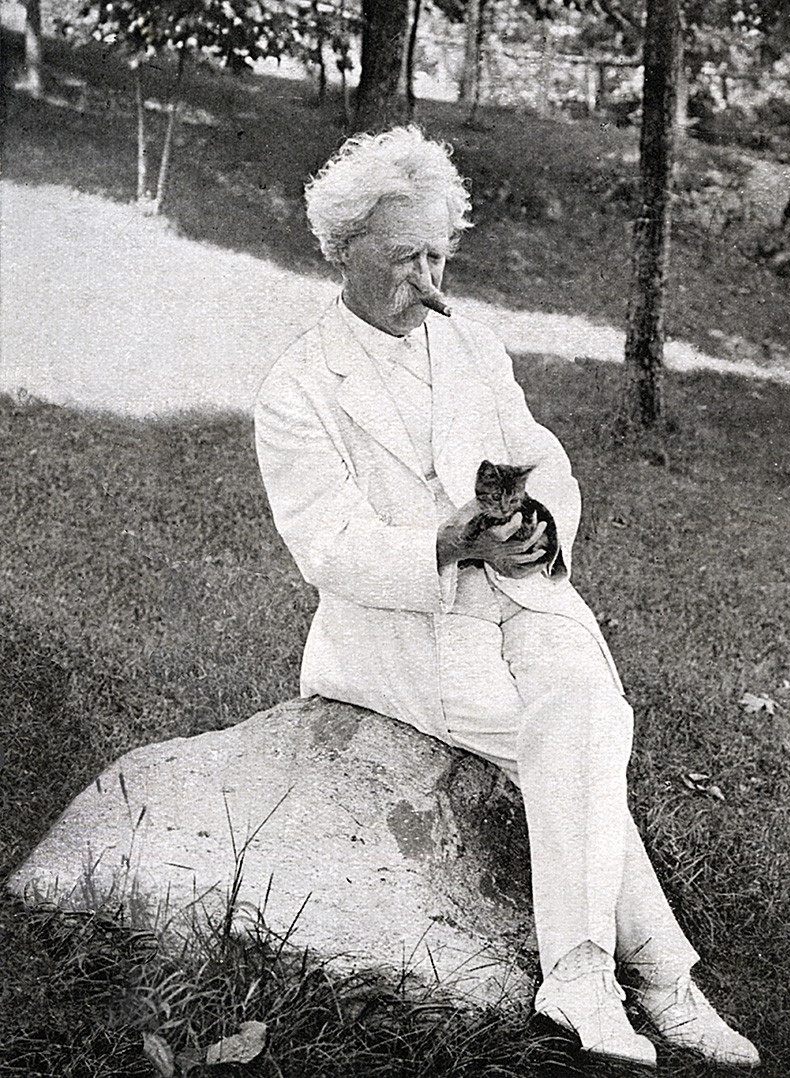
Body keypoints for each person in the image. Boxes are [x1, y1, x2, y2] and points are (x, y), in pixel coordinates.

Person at [254, 126, 760, 1069]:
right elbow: (326, 545)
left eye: (440, 254)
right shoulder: (297, 387)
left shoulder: (472, 343)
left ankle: (591, 980)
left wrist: (539, 528)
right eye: (406, 258)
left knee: (587, 711)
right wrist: (448, 540)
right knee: (571, 738)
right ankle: (653, 982)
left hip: (519, 594)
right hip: (404, 624)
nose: (430, 280)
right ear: (344, 249)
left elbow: (542, 458)